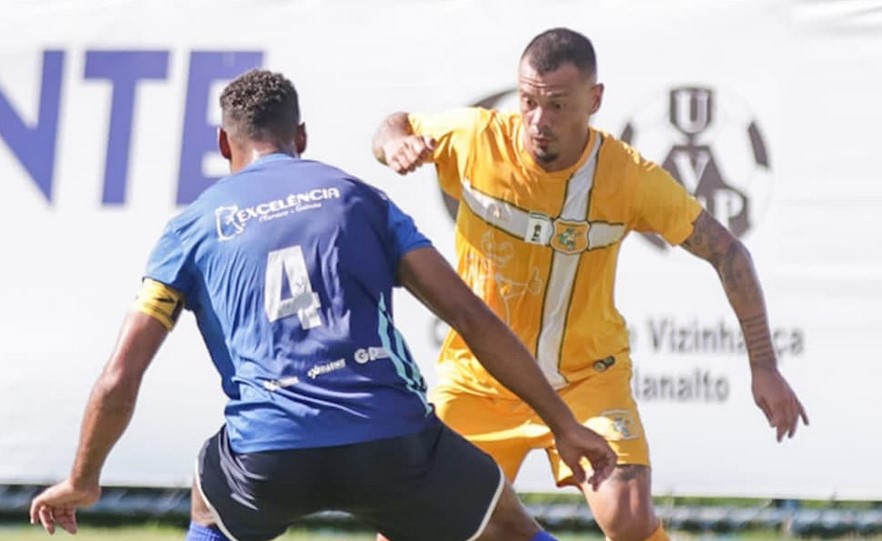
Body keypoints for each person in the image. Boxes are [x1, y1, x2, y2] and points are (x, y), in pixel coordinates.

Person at [28, 69, 618, 541]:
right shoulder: (360, 199)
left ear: (221, 143)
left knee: (210, 502)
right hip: (390, 442)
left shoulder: (192, 226)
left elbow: (118, 378)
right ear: (301, 137)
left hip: (269, 453)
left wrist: (83, 480)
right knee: (508, 524)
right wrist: (563, 424)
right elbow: (472, 318)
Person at [372, 27, 809, 541]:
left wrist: (764, 364)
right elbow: (393, 125)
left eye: (557, 105)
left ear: (594, 99)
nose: (538, 121)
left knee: (627, 517)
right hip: (479, 380)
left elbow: (728, 253)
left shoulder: (629, 177)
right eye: (529, 101)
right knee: (412, 528)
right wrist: (396, 144)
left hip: (587, 380)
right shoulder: (476, 138)